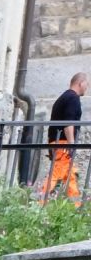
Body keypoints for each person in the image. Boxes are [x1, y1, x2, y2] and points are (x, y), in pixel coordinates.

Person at [39, 73, 87, 204]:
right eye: (86, 85)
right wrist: (71, 145)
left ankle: (76, 206)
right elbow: (68, 123)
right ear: (80, 83)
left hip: (57, 142)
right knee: (55, 174)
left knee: (70, 175)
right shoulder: (73, 98)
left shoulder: (63, 97)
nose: (86, 88)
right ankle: (40, 203)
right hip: (63, 143)